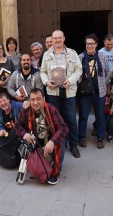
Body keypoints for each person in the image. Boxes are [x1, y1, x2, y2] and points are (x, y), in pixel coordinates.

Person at [40, 30, 83, 158]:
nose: (57, 40)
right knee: (56, 119)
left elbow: (79, 69)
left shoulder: (72, 53)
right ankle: (60, 143)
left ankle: (73, 145)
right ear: (52, 40)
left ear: (64, 39)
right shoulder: (47, 55)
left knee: (70, 119)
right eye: (55, 38)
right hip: (53, 92)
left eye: (60, 38)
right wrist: (47, 82)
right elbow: (42, 72)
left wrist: (70, 80)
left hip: (68, 91)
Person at [15, 88, 68, 185]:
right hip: (36, 141)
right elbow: (17, 125)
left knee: (61, 139)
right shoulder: (26, 110)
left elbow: (63, 128)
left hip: (51, 140)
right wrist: (24, 134)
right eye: (33, 99)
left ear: (44, 99)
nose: (35, 102)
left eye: (38, 99)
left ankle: (56, 169)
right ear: (29, 100)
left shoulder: (51, 109)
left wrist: (52, 142)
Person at [77, 34, 109, 149]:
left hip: (99, 92)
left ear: (96, 44)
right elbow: (77, 74)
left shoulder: (102, 57)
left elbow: (107, 72)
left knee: (100, 116)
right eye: (87, 44)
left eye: (91, 43)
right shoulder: (80, 57)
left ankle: (100, 138)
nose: (89, 46)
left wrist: (103, 85)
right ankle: (81, 137)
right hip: (85, 93)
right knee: (83, 116)